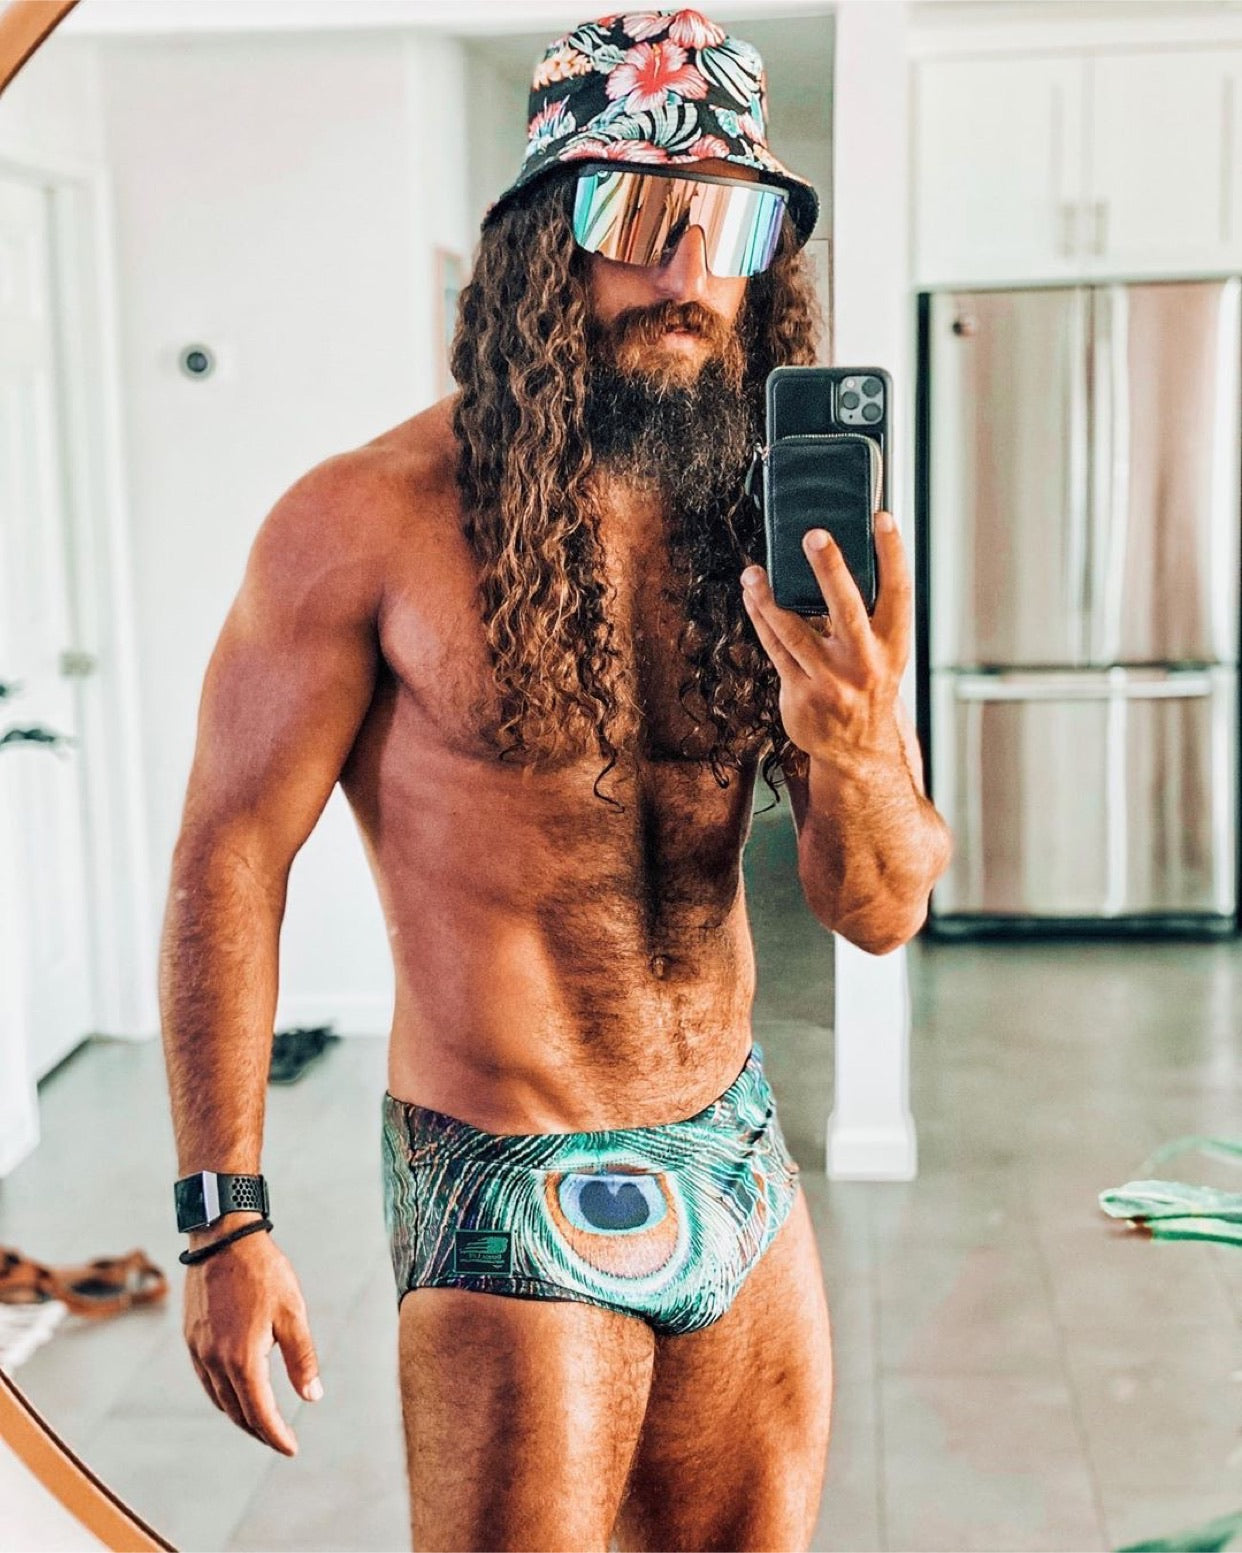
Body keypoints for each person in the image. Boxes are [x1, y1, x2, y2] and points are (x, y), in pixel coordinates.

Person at [159, 11, 952, 1550]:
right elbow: (229, 853)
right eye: (637, 216)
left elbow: (879, 912)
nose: (683, 270)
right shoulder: (360, 522)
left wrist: (857, 734)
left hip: (733, 1149)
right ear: (543, 240)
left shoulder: (770, 524)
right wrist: (222, 1217)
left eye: (725, 225)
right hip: (502, 1176)